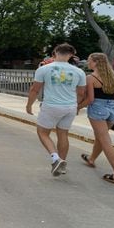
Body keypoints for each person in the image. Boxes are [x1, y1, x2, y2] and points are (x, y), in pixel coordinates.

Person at [26, 43, 86, 177]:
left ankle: (56, 158)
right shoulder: (79, 71)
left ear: (55, 53)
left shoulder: (44, 69)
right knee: (63, 134)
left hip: (51, 106)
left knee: (43, 132)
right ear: (71, 55)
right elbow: (81, 93)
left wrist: (29, 105)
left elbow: (35, 89)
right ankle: (62, 165)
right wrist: (76, 105)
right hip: (70, 106)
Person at [78, 53, 114, 186]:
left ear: (96, 63)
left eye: (89, 61)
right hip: (113, 109)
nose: (88, 63)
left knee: (105, 141)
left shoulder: (91, 78)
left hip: (98, 109)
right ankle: (91, 159)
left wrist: (78, 107)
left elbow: (90, 99)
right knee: (101, 136)